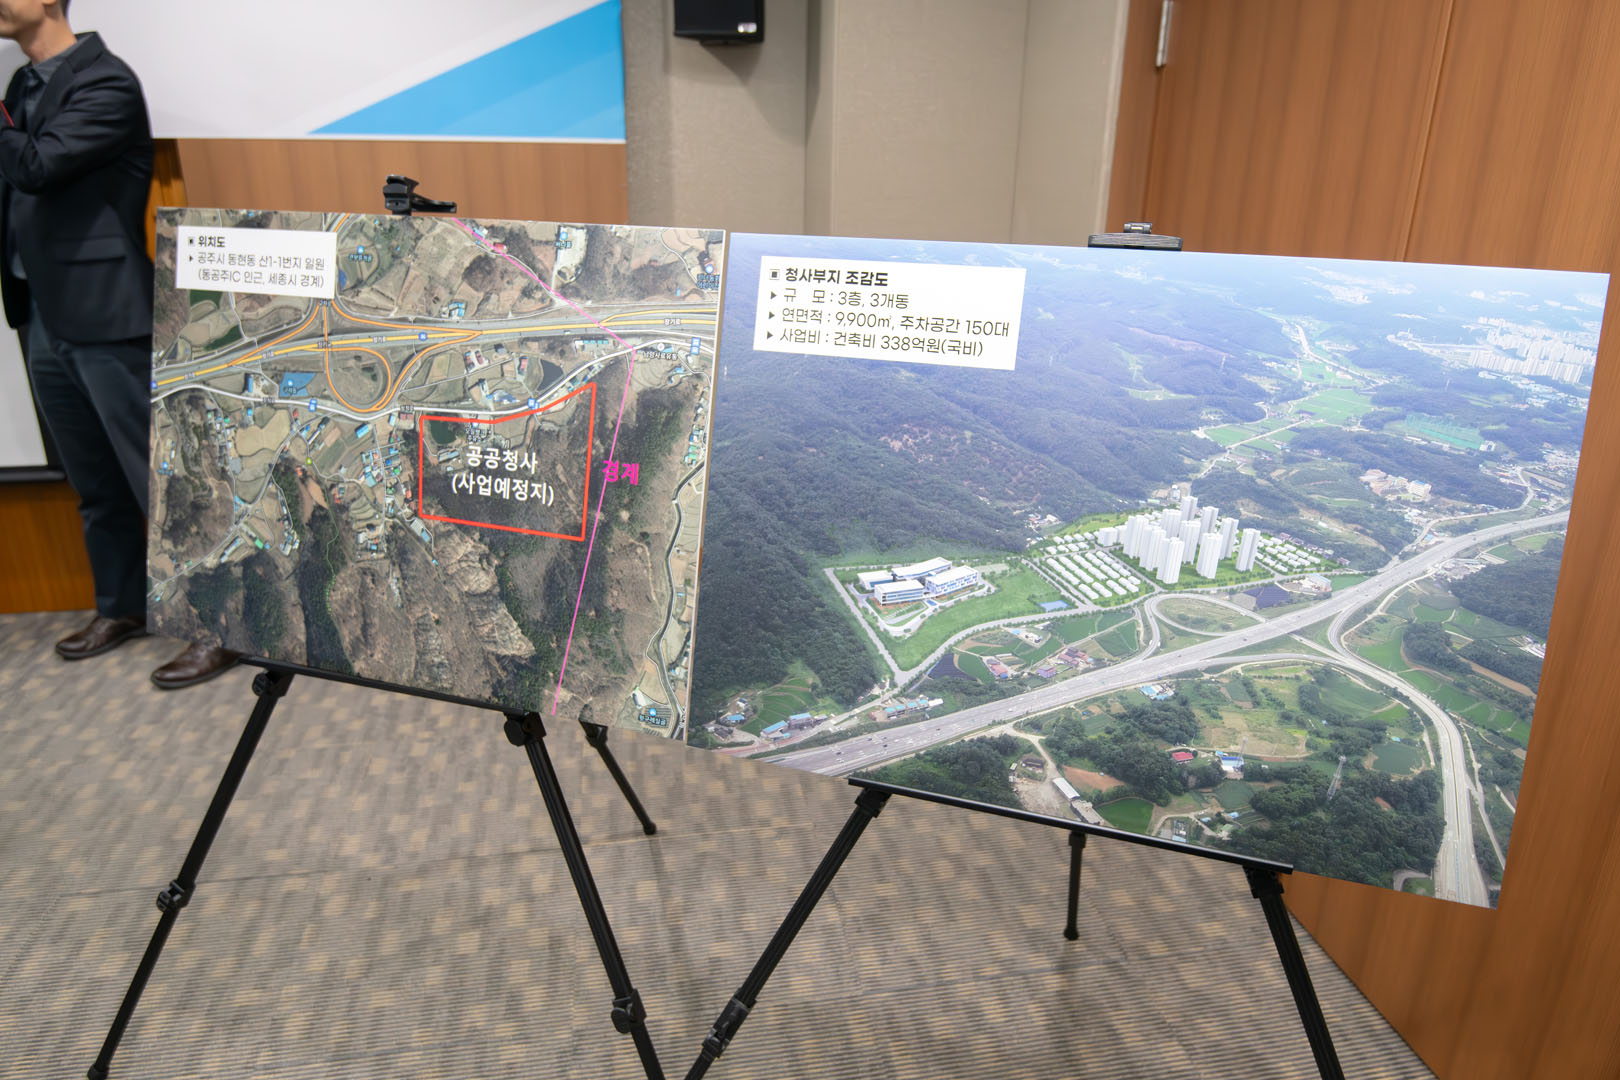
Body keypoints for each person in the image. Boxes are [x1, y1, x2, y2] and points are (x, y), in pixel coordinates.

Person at [0, 0, 236, 688]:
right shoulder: (22, 84)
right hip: (41, 312)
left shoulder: (107, 81)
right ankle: (122, 605)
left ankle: (217, 627)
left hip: (106, 311)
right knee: (95, 480)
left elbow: (37, 167)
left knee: (158, 479)